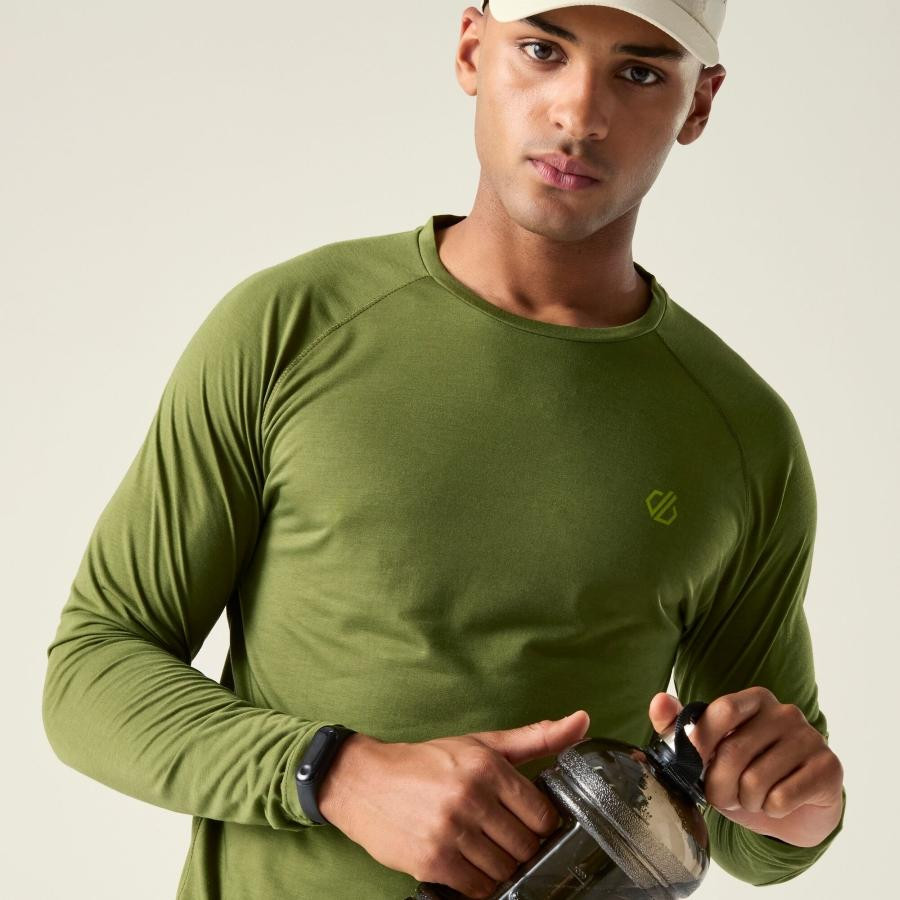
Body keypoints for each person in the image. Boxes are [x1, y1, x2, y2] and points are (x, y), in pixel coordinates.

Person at [42, 2, 847, 898]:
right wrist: (333, 772)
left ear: (698, 104)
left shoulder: (741, 435)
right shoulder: (288, 328)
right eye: (541, 50)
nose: (579, 114)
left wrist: (801, 807)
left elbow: (756, 829)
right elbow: (91, 672)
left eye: (640, 72)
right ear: (472, 51)